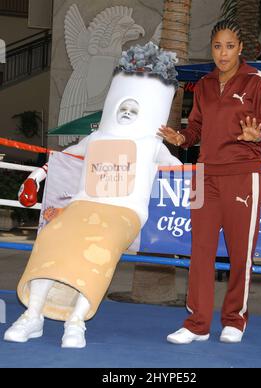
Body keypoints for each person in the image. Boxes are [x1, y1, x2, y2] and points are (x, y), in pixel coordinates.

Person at [4, 42, 181, 348]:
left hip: (124, 213)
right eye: (122, 107)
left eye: (133, 109)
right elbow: (65, 157)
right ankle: (33, 315)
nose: (126, 113)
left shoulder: (153, 145)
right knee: (52, 234)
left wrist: (181, 151)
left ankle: (76, 321)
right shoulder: (96, 136)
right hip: (83, 205)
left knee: (99, 245)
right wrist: (34, 178)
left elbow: (182, 173)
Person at [158, 20, 261, 344]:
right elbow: (196, 128)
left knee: (241, 252)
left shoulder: (257, 81)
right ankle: (196, 323)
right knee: (200, 251)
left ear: (241, 48)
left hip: (243, 175)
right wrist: (181, 137)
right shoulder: (204, 84)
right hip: (204, 176)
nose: (223, 53)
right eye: (217, 46)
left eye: (229, 46)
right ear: (211, 48)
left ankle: (235, 319)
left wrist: (260, 135)